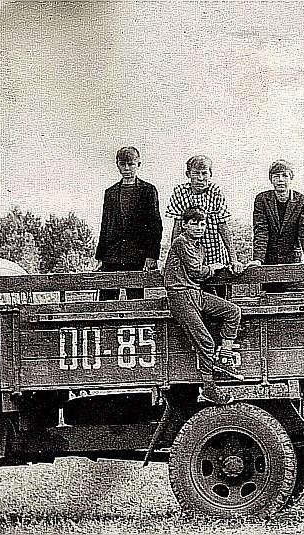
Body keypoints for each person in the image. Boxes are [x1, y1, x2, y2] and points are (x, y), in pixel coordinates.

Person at [164, 206, 244, 404]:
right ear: (184, 225)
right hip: (181, 296)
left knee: (233, 311)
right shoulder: (180, 242)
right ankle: (209, 389)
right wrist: (213, 267)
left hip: (196, 293)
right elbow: (196, 272)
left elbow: (198, 275)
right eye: (194, 223)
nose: (199, 227)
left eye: (203, 224)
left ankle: (224, 358)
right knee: (206, 342)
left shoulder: (199, 247)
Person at [164, 155, 242, 296]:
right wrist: (171, 261)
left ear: (210, 174)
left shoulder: (215, 191)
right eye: (196, 173)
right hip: (191, 254)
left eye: (204, 173)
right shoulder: (180, 192)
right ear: (188, 174)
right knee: (199, 293)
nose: (200, 178)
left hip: (215, 251)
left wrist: (233, 259)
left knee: (222, 294)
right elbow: (177, 227)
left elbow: (223, 225)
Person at [246, 159, 304, 292]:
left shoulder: (302, 201)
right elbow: (261, 231)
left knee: (297, 298)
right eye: (276, 176)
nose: (281, 180)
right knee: (269, 299)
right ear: (271, 179)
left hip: (293, 264)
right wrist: (258, 259)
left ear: (291, 178)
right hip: (270, 264)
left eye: (284, 175)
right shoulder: (262, 200)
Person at [94, 146, 163, 300]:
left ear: (138, 164)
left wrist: (152, 256)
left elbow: (155, 226)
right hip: (112, 255)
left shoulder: (148, 190)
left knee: (135, 299)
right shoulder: (110, 192)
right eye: (122, 164)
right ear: (117, 165)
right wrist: (100, 257)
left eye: (131, 164)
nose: (126, 168)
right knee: (107, 300)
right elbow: (105, 226)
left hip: (136, 256)